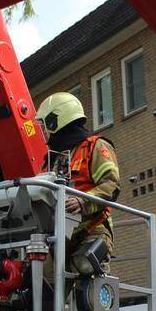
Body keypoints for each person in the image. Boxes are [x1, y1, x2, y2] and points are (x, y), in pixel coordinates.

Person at [35, 92, 120, 255]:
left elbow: (112, 185)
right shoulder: (52, 158)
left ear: (56, 121)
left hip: (93, 230)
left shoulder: (95, 146)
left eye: (45, 124)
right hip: (59, 236)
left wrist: (82, 202)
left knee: (83, 267)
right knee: (33, 275)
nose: (44, 131)